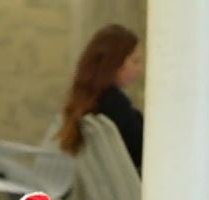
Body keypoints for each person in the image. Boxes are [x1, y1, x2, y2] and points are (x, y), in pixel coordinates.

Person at [58, 24, 145, 172]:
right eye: (135, 61)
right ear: (113, 63)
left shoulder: (90, 102)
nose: (140, 69)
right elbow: (143, 152)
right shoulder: (115, 104)